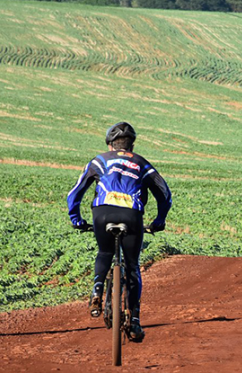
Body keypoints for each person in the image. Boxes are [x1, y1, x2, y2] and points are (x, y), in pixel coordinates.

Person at [67, 121, 172, 343]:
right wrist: (159, 220)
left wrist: (76, 219)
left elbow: (75, 193)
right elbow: (164, 193)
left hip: (102, 213)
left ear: (110, 144)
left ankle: (96, 291)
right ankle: (134, 319)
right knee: (132, 265)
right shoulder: (142, 163)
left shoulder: (99, 160)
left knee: (105, 253)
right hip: (131, 215)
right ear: (131, 145)